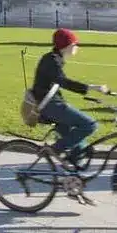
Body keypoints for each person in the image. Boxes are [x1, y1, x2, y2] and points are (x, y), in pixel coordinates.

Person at [33, 28, 107, 166]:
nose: (77, 47)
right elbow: (64, 82)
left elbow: (56, 84)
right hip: (50, 105)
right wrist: (92, 87)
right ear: (66, 46)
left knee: (79, 148)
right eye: (74, 44)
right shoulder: (52, 61)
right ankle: (54, 149)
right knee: (90, 125)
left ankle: (74, 175)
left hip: (50, 103)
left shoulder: (53, 58)